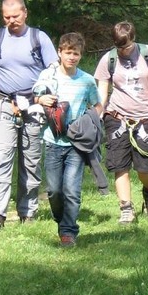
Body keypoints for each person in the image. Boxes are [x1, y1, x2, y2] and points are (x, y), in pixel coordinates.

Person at [0, 0, 58, 231]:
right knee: (1, 157)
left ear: (25, 13)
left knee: (30, 161)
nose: (11, 21)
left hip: (33, 107)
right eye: (6, 17)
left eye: (15, 16)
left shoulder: (39, 38)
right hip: (2, 105)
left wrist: (44, 98)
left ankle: (27, 211)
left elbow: (53, 71)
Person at [32, 32, 103, 247]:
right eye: (68, 53)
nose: (72, 57)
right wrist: (41, 99)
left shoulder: (87, 81)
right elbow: (36, 95)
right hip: (52, 140)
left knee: (72, 190)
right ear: (60, 53)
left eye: (77, 54)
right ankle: (61, 219)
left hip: (76, 144)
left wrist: (89, 123)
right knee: (54, 190)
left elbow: (98, 106)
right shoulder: (49, 76)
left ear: (81, 56)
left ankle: (68, 232)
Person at [94, 21, 148, 224]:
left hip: (146, 117)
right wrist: (96, 116)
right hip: (117, 118)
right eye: (119, 47)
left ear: (134, 39)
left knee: (145, 168)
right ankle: (126, 208)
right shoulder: (108, 59)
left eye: (126, 46)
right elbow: (102, 91)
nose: (123, 51)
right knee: (120, 165)